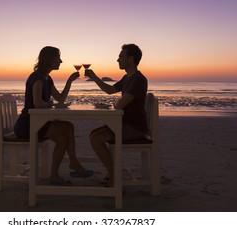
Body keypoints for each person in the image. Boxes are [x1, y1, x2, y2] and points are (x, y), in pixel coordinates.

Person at [14, 46, 93, 186]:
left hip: (38, 123)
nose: (61, 61)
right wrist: (50, 103)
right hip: (27, 125)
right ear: (49, 59)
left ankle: (54, 176)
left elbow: (60, 99)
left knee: (63, 139)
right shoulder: (37, 78)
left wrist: (69, 82)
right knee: (68, 126)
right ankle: (74, 163)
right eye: (58, 58)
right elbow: (37, 103)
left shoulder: (47, 78)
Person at [85, 44, 148, 186]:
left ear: (130, 59)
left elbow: (120, 105)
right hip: (125, 124)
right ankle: (112, 173)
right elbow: (109, 90)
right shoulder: (127, 78)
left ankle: (114, 176)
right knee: (93, 135)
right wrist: (94, 77)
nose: (117, 59)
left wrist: (116, 104)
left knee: (96, 139)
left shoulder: (138, 79)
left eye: (120, 56)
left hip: (135, 128)